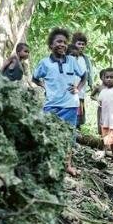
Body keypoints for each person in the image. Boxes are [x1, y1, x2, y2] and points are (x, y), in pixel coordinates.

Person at [32, 27, 86, 176]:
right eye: (58, 42)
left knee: (68, 136)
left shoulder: (72, 61)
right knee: (48, 134)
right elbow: (35, 78)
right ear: (51, 45)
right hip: (51, 105)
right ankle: (47, 164)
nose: (62, 44)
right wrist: (44, 86)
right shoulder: (45, 63)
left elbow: (84, 75)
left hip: (70, 105)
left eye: (64, 42)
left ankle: (67, 165)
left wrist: (78, 88)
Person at [71, 32, 94, 129]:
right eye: (79, 43)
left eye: (83, 44)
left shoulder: (86, 59)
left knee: (79, 110)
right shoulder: (70, 57)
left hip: (81, 90)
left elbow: (90, 72)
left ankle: (77, 128)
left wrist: (91, 84)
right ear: (74, 44)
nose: (81, 46)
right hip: (70, 89)